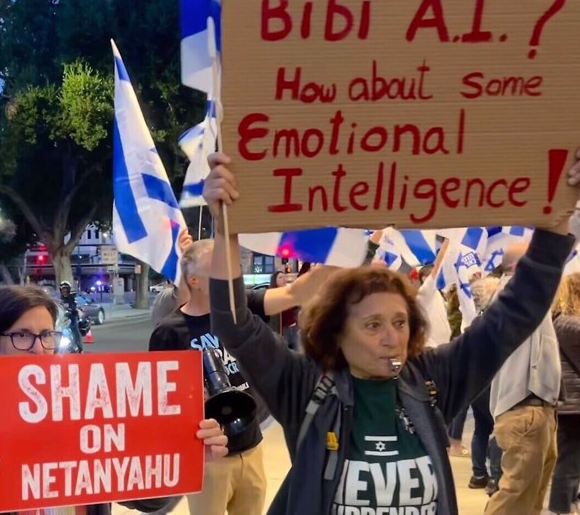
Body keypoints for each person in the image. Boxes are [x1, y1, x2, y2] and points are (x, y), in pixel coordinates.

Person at [202, 150, 580, 515]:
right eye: (372, 325)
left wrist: (560, 213)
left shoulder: (432, 380)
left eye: (400, 323)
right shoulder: (303, 386)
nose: (391, 337)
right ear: (337, 332)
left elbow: (515, 312)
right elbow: (234, 322)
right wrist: (225, 228)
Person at [0, 285, 229, 514]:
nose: (39, 349)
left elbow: (147, 501)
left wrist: (184, 459)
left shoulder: (89, 406)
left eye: (46, 335)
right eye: (22, 336)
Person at [150, 239, 267, 515]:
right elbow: (160, 399)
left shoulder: (237, 315)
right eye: (218, 268)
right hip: (208, 456)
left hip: (251, 444)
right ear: (194, 280)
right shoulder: (169, 333)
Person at [485, 242, 562, 515]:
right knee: (514, 498)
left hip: (537, 408)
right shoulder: (514, 297)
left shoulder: (520, 299)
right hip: (525, 409)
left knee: (529, 499)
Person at [549, 273, 580, 515]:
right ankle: (561, 508)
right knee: (570, 461)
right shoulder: (572, 325)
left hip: (566, 400)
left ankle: (566, 505)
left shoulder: (557, 322)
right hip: (574, 403)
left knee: (570, 460)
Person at [59, 280, 83, 352]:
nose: (65, 291)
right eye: (63, 289)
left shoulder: (72, 298)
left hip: (72, 318)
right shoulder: (59, 299)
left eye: (66, 289)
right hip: (62, 319)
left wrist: (72, 309)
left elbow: (74, 305)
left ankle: (79, 348)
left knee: (75, 331)